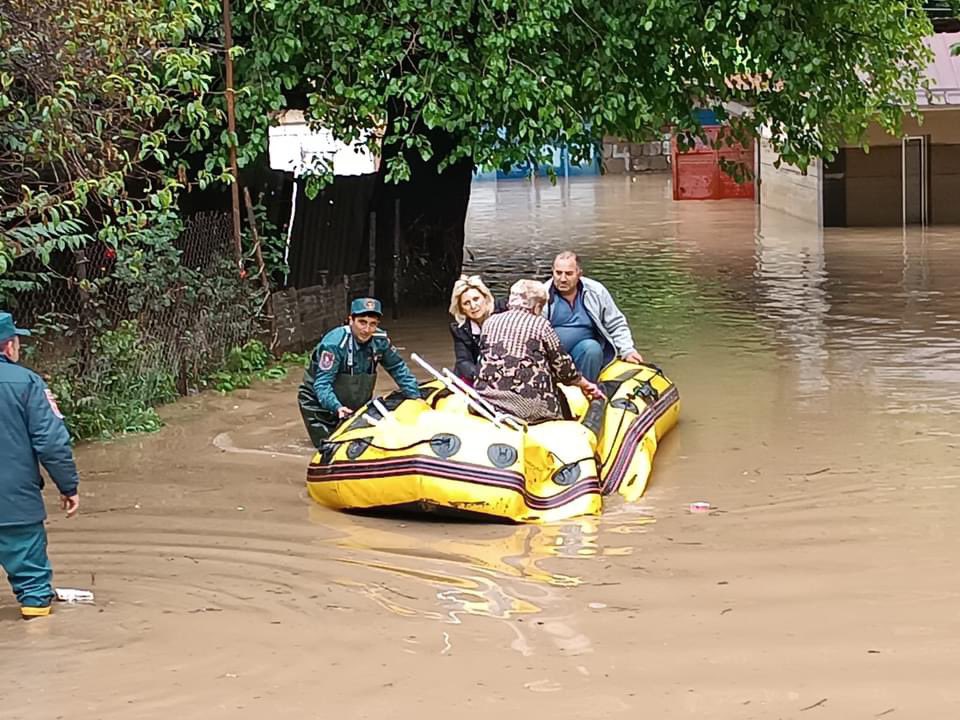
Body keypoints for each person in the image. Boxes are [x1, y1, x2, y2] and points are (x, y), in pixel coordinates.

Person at [0, 312, 80, 619]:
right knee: (34, 591)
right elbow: (51, 443)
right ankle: (38, 638)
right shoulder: (27, 384)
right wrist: (68, 486)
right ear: (9, 347)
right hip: (14, 505)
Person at [298, 297, 422, 447]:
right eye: (362, 322)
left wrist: (415, 396)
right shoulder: (334, 344)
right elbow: (322, 384)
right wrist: (336, 407)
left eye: (373, 324)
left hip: (354, 402)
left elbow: (397, 368)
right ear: (351, 320)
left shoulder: (380, 340)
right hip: (318, 403)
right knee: (330, 448)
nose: (367, 329)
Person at [475, 279, 603, 423]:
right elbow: (564, 369)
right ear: (536, 307)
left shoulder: (490, 322)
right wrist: (586, 384)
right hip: (527, 407)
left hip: (486, 400)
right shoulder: (541, 325)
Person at [544, 251, 644, 382]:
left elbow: (616, 323)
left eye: (568, 274)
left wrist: (627, 351)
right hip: (552, 356)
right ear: (552, 271)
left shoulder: (596, 291)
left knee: (592, 348)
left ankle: (588, 393)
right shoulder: (542, 294)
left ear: (579, 274)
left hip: (585, 353)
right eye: (558, 273)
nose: (562, 279)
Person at [448, 274, 496, 384]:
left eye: (476, 299)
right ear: (461, 309)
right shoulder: (459, 329)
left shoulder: (502, 315)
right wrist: (481, 376)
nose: (473, 306)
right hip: (475, 374)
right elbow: (463, 361)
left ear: (485, 298)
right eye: (466, 303)